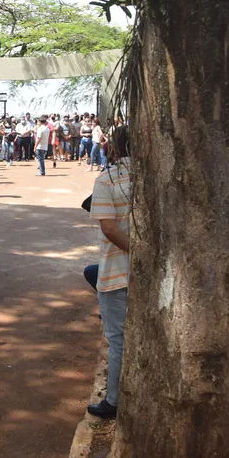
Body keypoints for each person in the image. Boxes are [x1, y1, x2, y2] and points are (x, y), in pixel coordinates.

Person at [87, 125, 131, 419]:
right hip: (152, 271)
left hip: (119, 271)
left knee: (117, 339)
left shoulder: (108, 180)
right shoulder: (157, 174)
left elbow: (109, 227)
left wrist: (140, 255)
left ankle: (113, 402)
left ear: (113, 148)